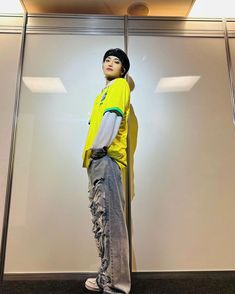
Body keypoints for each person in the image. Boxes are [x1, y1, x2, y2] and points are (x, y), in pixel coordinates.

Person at [82, 48, 131, 294]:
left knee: (110, 221)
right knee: (102, 221)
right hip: (97, 160)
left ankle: (116, 284)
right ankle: (107, 276)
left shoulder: (119, 86)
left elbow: (114, 116)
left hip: (106, 158)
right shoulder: (103, 92)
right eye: (107, 60)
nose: (110, 63)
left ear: (123, 69)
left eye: (117, 61)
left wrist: (100, 148)